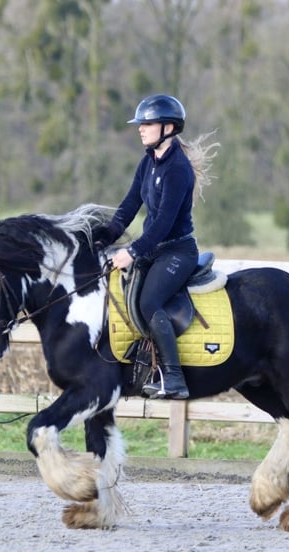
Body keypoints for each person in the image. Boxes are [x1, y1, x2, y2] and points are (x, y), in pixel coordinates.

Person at [96, 94, 208, 400]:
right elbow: (130, 204)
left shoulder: (178, 169)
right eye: (140, 124)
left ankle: (174, 378)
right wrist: (105, 235)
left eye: (147, 123)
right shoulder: (148, 162)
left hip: (177, 251)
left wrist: (132, 251)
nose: (140, 129)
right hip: (155, 249)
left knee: (149, 303)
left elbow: (162, 225)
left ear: (168, 127)